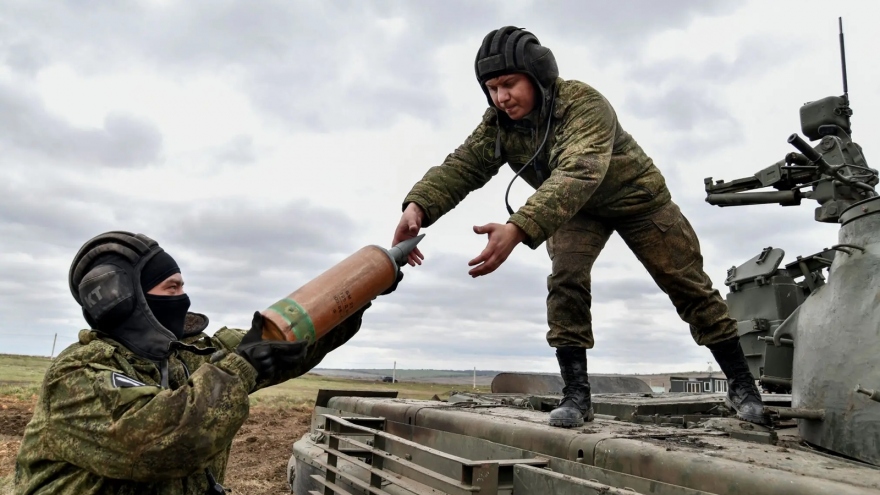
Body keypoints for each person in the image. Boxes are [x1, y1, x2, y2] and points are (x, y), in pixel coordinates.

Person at [392, 26, 766, 428]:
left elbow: (579, 171)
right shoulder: (499, 124)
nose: (501, 97)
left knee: (686, 284)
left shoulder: (583, 104)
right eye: (491, 87)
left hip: (638, 200)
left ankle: (743, 385)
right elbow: (462, 166)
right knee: (566, 280)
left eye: (509, 84)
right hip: (577, 209)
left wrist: (518, 228)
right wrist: (419, 206)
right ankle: (576, 394)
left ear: (537, 76)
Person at [15, 231, 396, 494]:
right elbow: (168, 440)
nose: (184, 297)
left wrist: (367, 285)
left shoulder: (186, 356)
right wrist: (243, 365)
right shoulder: (79, 374)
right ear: (125, 300)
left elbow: (285, 345)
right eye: (172, 287)